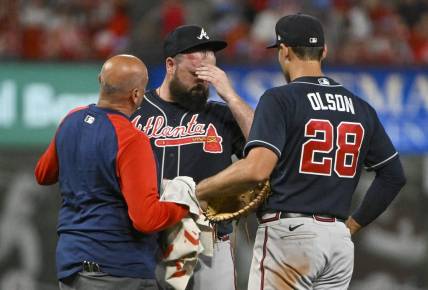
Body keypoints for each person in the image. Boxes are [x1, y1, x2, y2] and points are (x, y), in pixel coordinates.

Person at [196, 13, 406, 290]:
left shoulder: (280, 99)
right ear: (324, 51)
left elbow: (256, 168)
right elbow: (393, 175)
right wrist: (353, 226)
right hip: (338, 242)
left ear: (284, 51)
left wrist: (197, 190)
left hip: (290, 236)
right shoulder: (360, 107)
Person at [35, 54, 190, 290]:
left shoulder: (71, 119)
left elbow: (43, 174)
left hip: (72, 268)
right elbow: (146, 218)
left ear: (100, 80)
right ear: (136, 95)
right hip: (118, 270)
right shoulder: (131, 138)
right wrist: (186, 204)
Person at [131, 25, 254, 290]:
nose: (202, 80)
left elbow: (264, 146)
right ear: (170, 65)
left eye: (209, 75)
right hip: (150, 241)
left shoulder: (222, 114)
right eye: (195, 72)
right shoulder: (136, 112)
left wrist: (230, 95)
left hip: (212, 242)